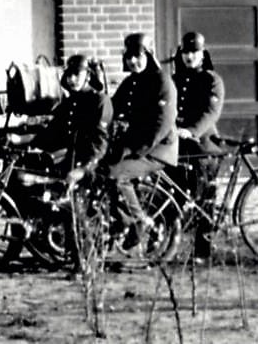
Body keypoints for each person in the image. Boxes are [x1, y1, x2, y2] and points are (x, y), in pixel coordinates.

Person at [102, 31, 178, 251]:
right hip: (135, 146)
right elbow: (112, 109)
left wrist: (132, 149)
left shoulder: (162, 82)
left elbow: (161, 125)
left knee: (116, 175)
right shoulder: (131, 82)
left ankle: (139, 221)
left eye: (137, 55)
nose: (133, 61)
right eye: (128, 57)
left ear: (149, 54)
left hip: (157, 149)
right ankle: (121, 221)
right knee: (100, 171)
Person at [172, 30, 226, 259]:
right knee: (173, 194)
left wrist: (191, 131)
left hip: (203, 147)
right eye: (186, 52)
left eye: (194, 52)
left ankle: (203, 250)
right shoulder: (176, 80)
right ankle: (168, 244)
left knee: (204, 198)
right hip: (179, 148)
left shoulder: (211, 80)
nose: (189, 57)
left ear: (203, 54)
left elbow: (211, 112)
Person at [32, 54, 112, 185]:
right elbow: (53, 130)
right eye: (69, 74)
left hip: (92, 164)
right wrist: (29, 143)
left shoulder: (100, 101)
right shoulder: (70, 102)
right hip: (69, 159)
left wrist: (83, 169)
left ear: (88, 76)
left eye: (77, 74)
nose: (72, 79)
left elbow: (100, 144)